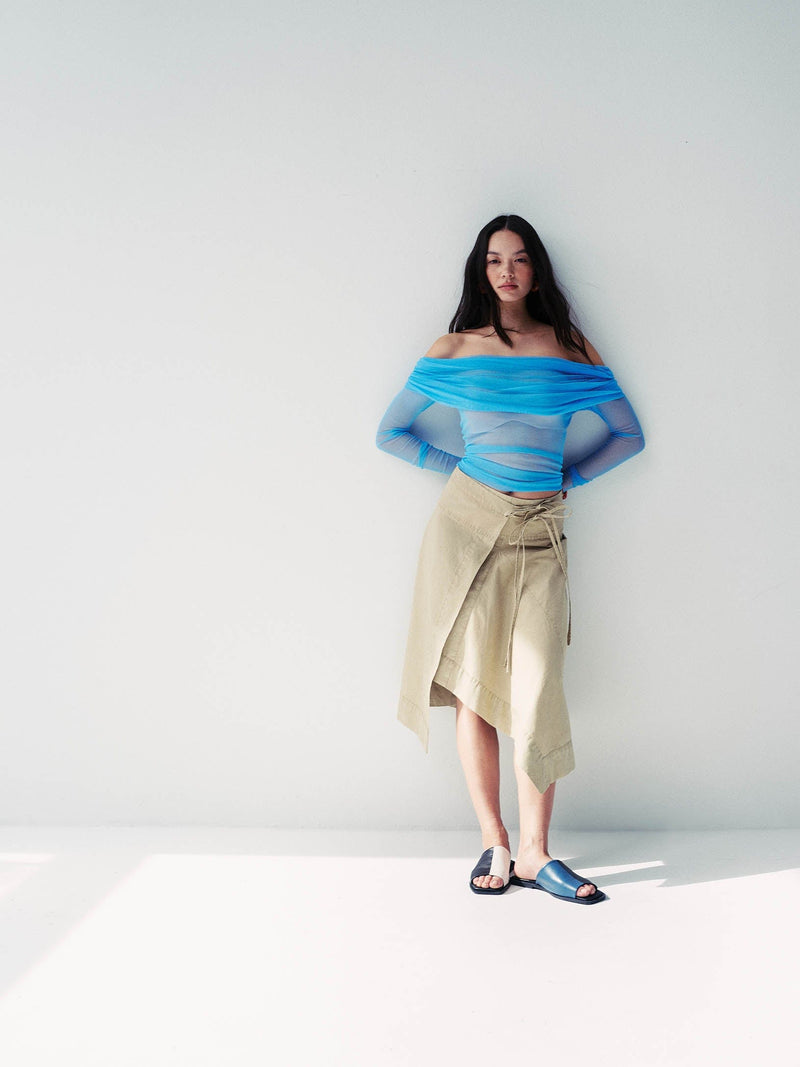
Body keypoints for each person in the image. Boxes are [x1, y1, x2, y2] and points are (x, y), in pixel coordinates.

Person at [376, 214, 644, 904]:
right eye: (495, 259)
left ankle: (537, 853)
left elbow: (626, 434)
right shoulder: (455, 347)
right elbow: (392, 432)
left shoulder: (569, 348)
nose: (507, 271)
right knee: (474, 691)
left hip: (541, 532)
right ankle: (496, 839)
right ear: (480, 270)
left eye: (520, 258)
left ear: (536, 269)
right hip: (465, 528)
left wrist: (571, 478)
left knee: (537, 687)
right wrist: (459, 469)